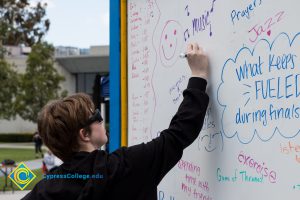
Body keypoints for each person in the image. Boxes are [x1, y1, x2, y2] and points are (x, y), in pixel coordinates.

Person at [22, 43, 209, 200]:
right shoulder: (126, 165)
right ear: (84, 134)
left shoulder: (46, 190)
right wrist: (198, 76)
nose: (102, 120)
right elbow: (178, 135)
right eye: (96, 116)